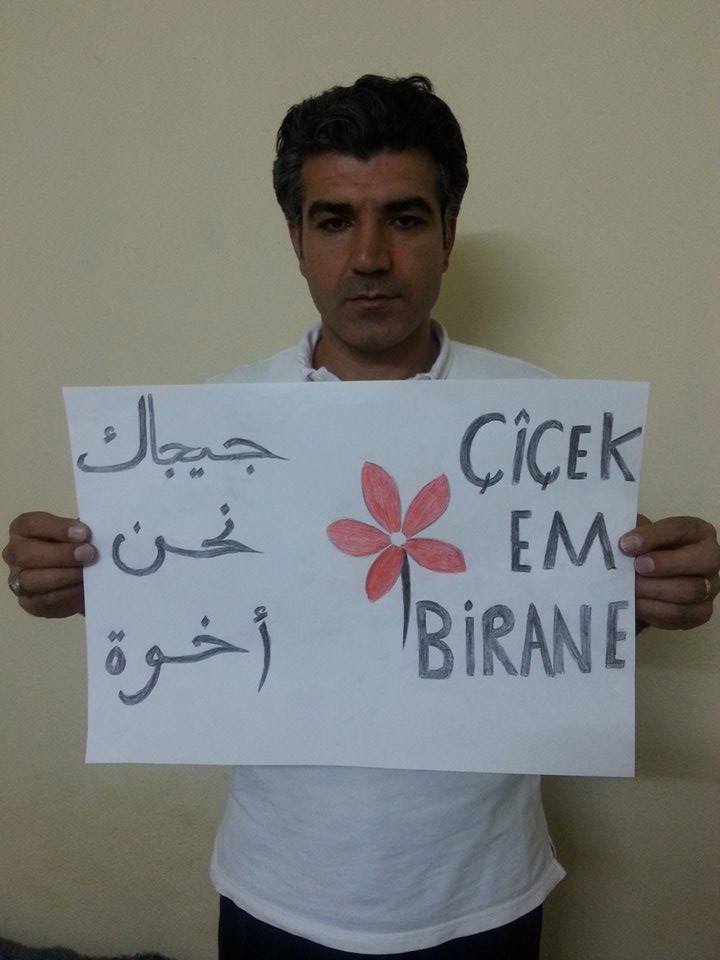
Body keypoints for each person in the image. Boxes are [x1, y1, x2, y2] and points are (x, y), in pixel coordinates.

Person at [4, 75, 719, 960]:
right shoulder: (212, 425)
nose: (371, 256)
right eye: (335, 220)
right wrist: (79, 578)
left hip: (483, 894)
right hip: (278, 889)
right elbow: (169, 588)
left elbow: (563, 604)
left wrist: (655, 589)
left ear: (448, 234)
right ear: (296, 240)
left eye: (405, 219)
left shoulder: (539, 418)